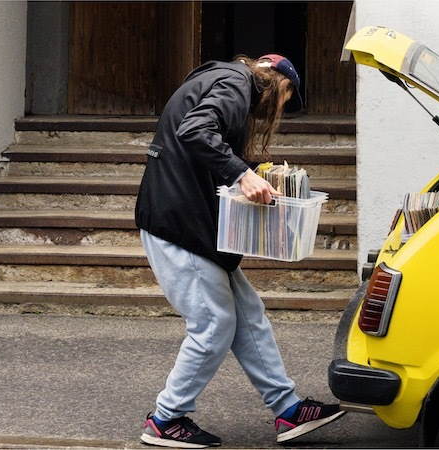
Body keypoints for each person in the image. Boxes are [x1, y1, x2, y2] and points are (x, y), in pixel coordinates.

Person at [134, 54, 345, 448]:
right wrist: (243, 174)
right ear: (277, 83)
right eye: (285, 99)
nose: (279, 109)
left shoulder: (225, 81)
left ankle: (288, 410)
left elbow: (203, 146)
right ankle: (166, 418)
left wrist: (251, 171)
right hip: (180, 224)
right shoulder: (238, 82)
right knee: (213, 324)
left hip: (194, 223)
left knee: (248, 316)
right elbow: (195, 131)